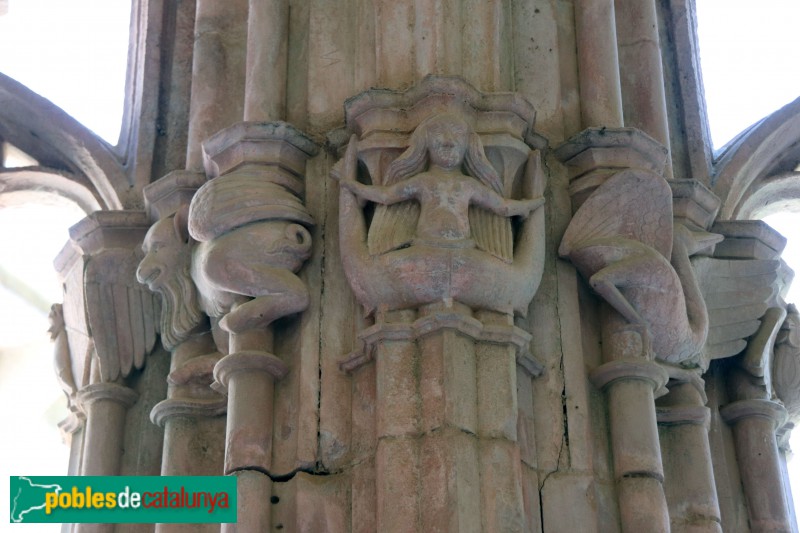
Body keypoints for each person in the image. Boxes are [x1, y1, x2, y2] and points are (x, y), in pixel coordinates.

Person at [336, 113, 543, 245]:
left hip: (464, 250)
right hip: (424, 248)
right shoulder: (423, 182)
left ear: (468, 146)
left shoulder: (468, 185)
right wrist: (353, 185)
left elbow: (503, 207)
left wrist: (532, 204)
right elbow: (386, 195)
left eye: (457, 135)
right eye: (439, 135)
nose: (448, 142)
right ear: (425, 144)